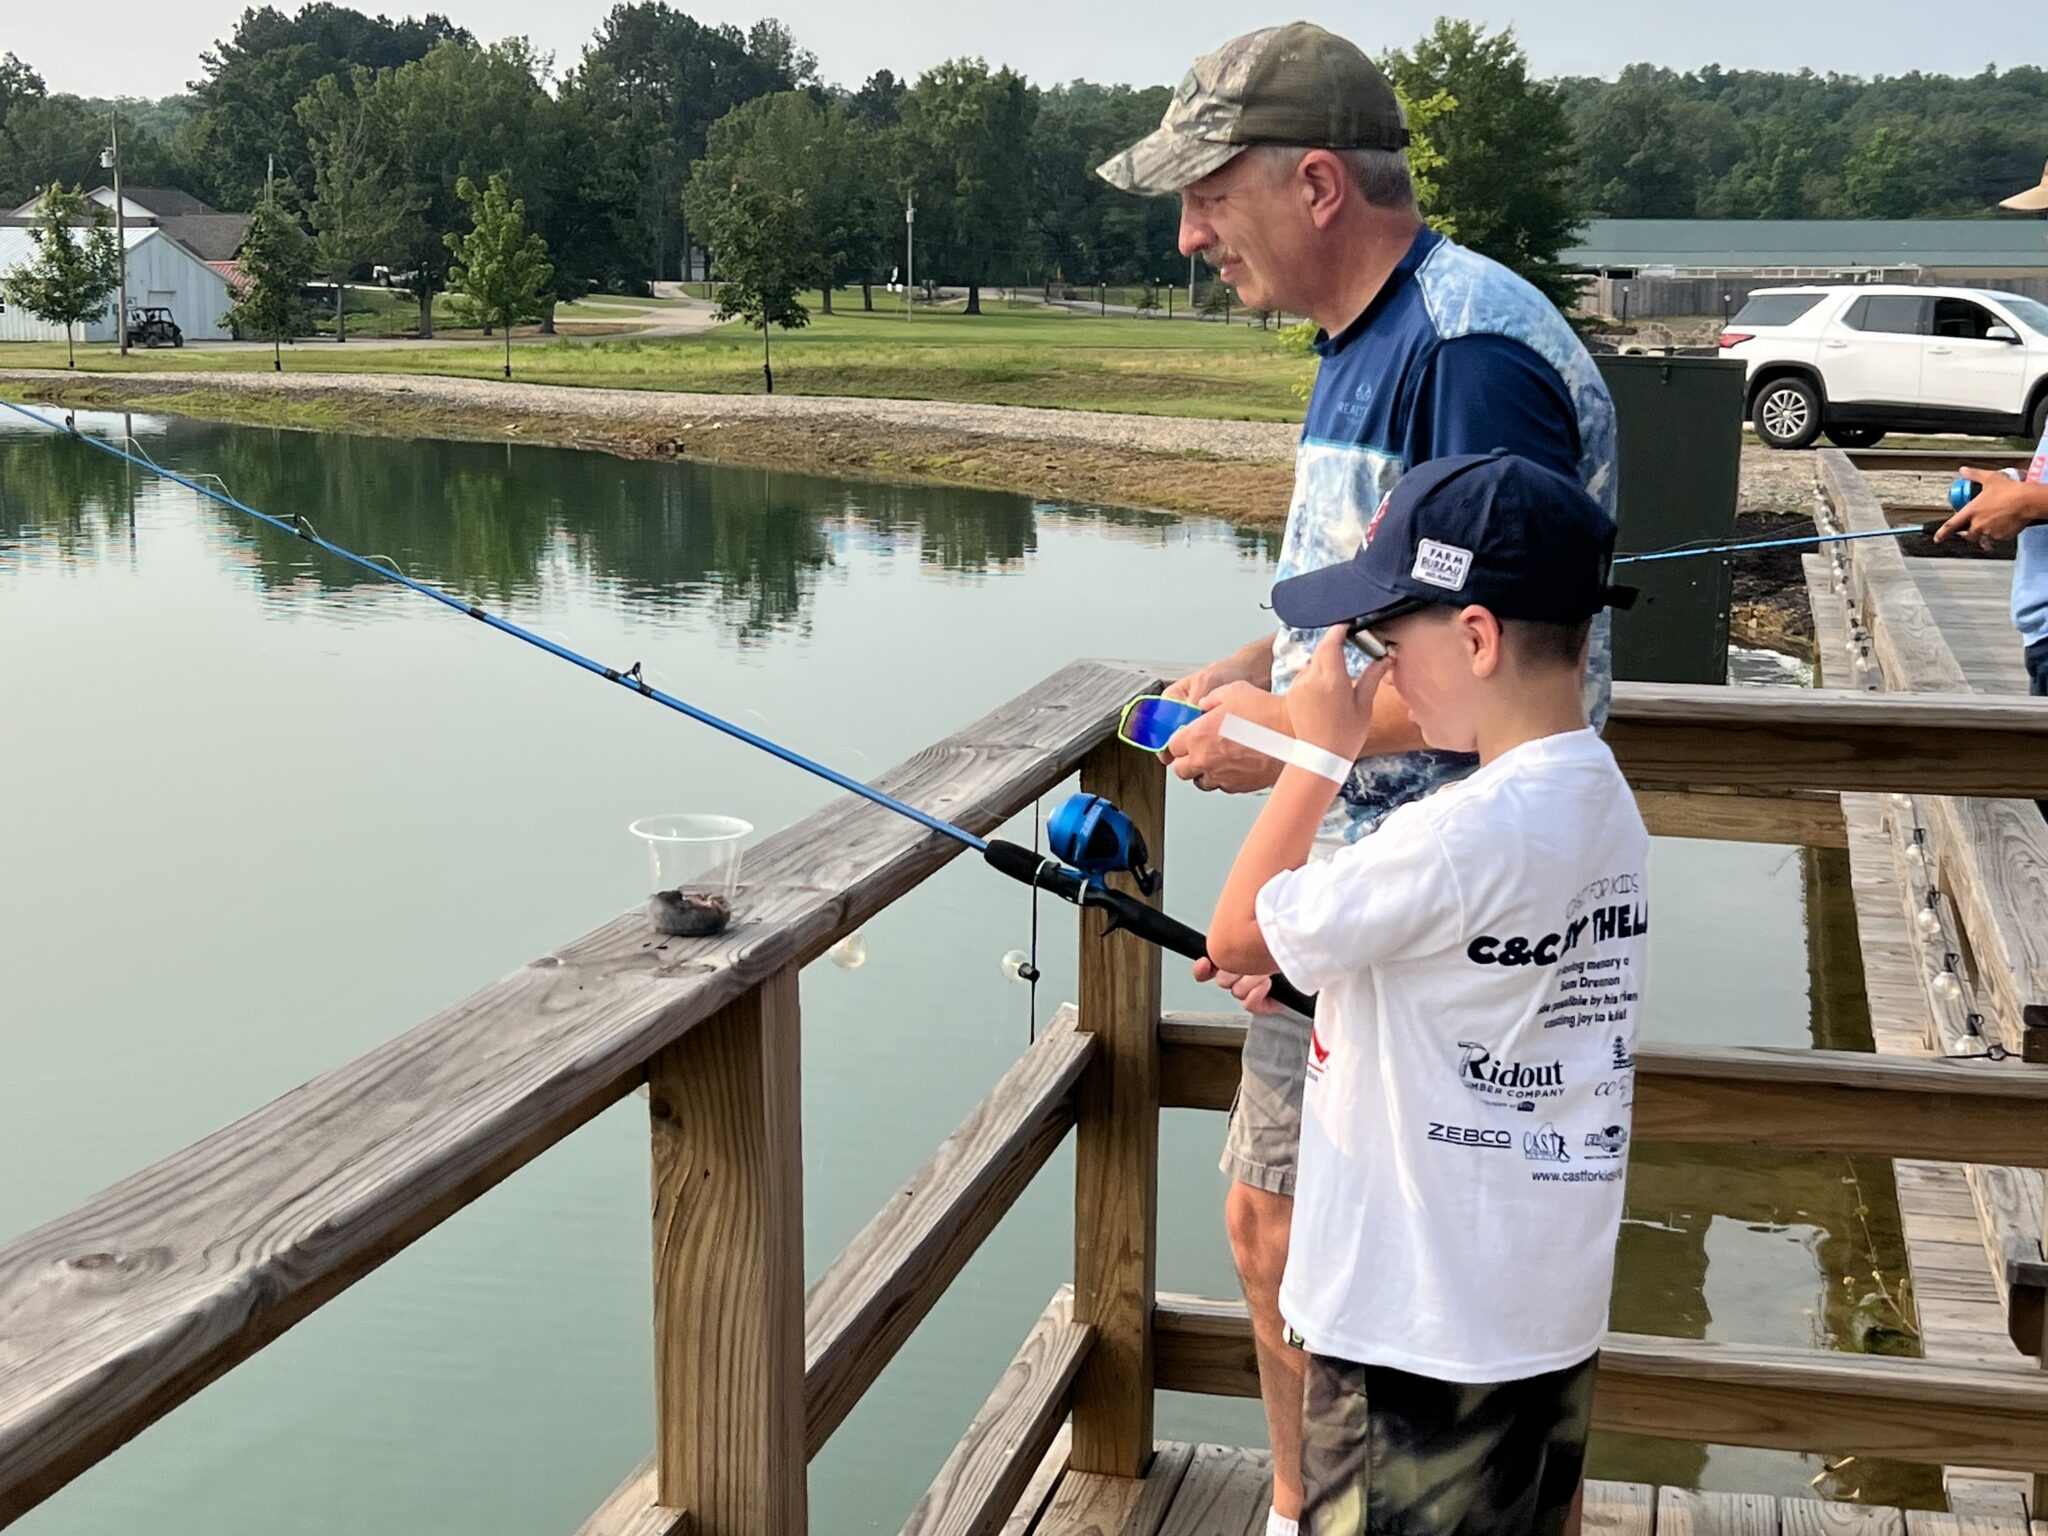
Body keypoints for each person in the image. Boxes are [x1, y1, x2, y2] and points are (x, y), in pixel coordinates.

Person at [1096, 24, 1617, 1527]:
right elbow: (1385, 612)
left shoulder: (1465, 355)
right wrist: (1255, 671)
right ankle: (1302, 1509)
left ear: (1316, 182)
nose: (1190, 237)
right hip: (1355, 881)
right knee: (1281, 1226)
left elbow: (1513, 672)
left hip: (1430, 910)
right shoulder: (1363, 346)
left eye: (1205, 197)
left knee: (1391, 1266)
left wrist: (1288, 747)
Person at [1205, 452, 1647, 1536]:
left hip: (1409, 1333)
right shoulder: (1602, 806)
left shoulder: (1450, 837)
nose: (1378, 679)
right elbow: (1477, 986)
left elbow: (1234, 927)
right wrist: (1332, 990)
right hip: (1535, 1316)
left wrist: (1318, 752)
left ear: (1477, 638)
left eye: (1386, 646)